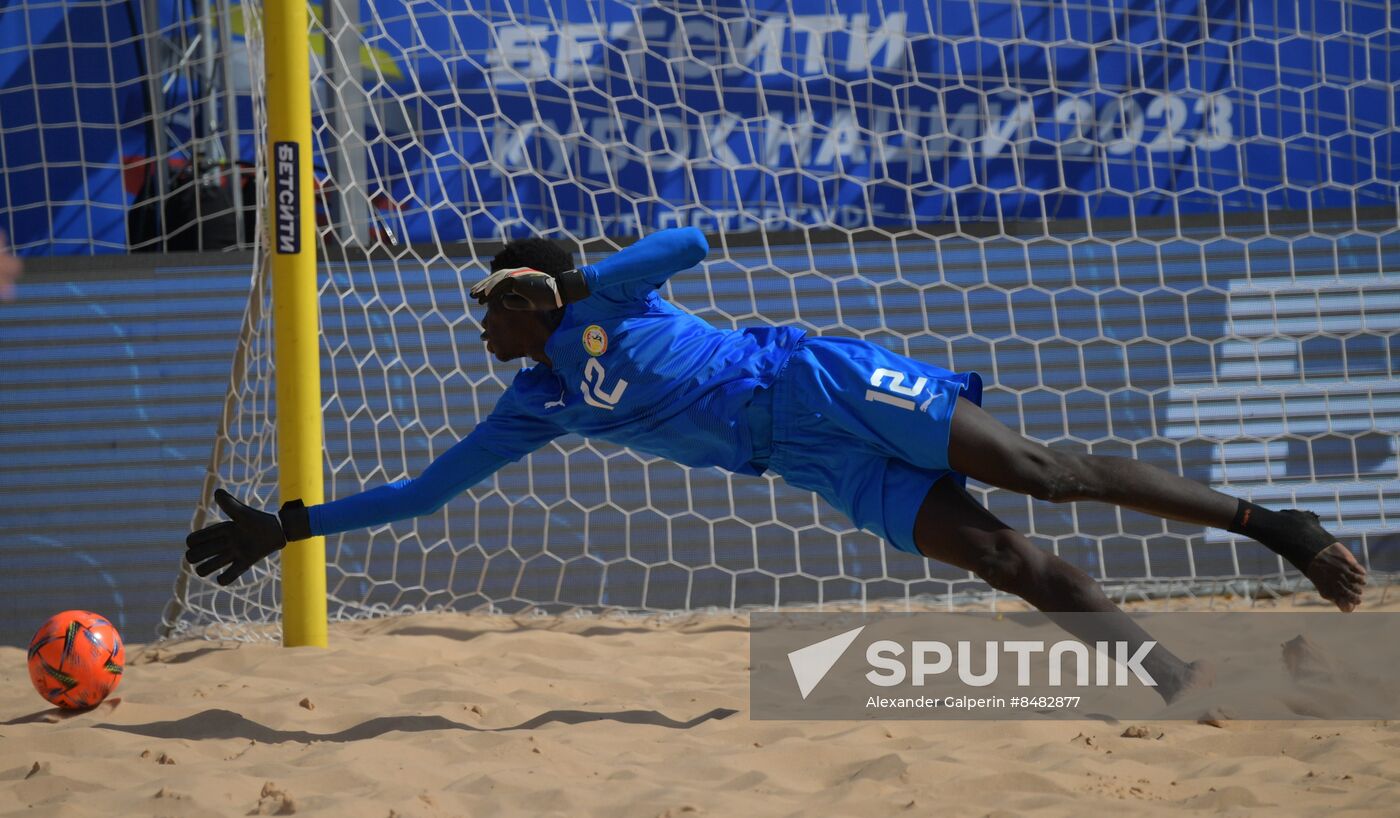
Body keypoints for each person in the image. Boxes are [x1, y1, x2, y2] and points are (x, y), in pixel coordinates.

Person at [187, 227, 1366, 701]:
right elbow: (425, 492)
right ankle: (1184, 680)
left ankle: (1276, 522)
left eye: (488, 303)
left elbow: (690, 234)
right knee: (1008, 560)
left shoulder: (602, 301)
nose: (477, 325)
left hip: (818, 379)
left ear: (530, 290)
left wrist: (584, 282)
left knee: (1040, 470)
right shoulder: (538, 397)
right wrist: (291, 526)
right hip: (800, 460)